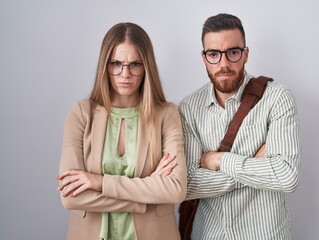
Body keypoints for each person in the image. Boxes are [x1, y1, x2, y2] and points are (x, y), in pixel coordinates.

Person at [57, 22, 187, 240]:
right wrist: (147, 192)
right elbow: (70, 197)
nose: (125, 73)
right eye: (116, 63)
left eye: (135, 64)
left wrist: (100, 182)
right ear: (104, 65)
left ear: (147, 67)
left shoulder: (167, 114)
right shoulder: (80, 114)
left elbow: (175, 189)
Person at [179, 13, 300, 239]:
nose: (224, 64)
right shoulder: (188, 108)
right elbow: (187, 185)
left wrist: (219, 160)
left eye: (233, 52)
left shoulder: (277, 98)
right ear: (204, 58)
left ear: (245, 54)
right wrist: (255, 166)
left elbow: (286, 176)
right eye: (214, 54)